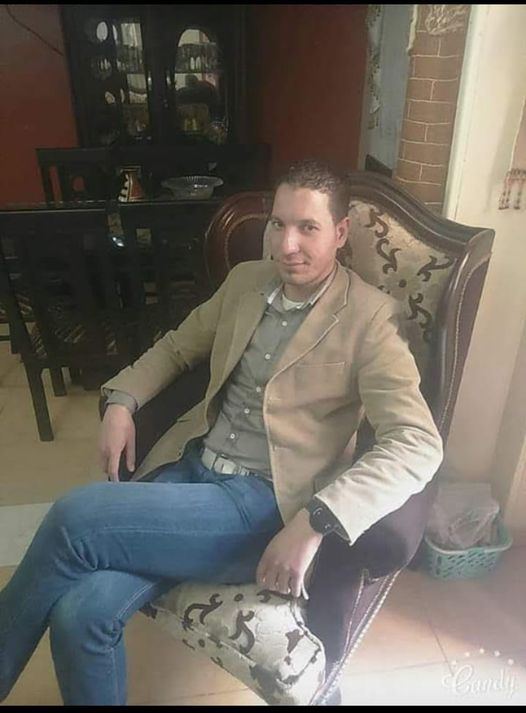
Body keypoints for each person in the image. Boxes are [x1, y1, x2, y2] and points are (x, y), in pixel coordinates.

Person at [0, 160, 443, 705]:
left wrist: (317, 519)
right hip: (192, 471)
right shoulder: (246, 282)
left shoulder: (372, 319)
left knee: (74, 518)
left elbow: (416, 443)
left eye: (308, 227)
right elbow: (177, 346)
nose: (287, 245)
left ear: (340, 232)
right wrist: (122, 400)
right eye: (278, 224)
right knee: (80, 613)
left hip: (262, 503)